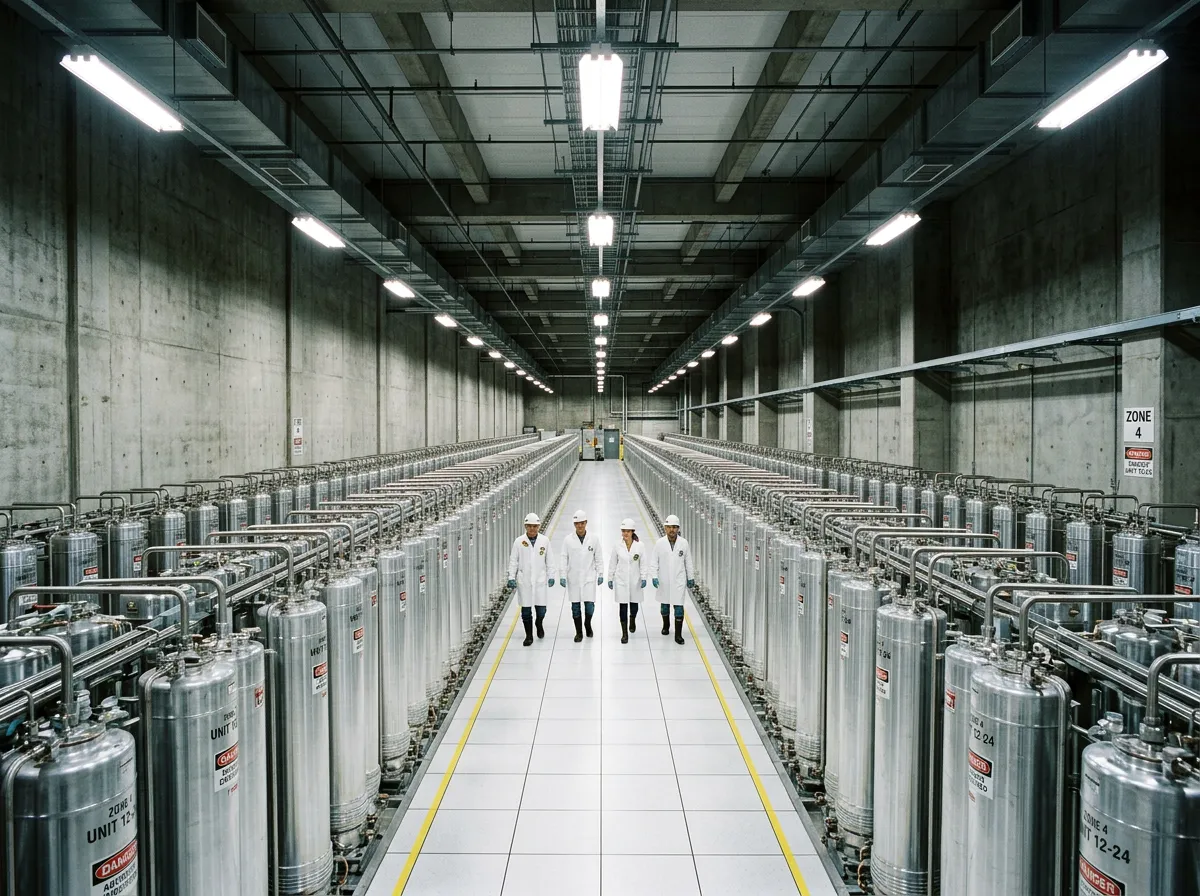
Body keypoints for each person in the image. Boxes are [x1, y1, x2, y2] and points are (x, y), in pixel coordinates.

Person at [507, 512, 556, 647]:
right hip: (525, 581)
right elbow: (513, 561)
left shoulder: (544, 541)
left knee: (541, 610)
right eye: (529, 526)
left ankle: (539, 623)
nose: (532, 529)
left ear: (539, 526)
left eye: (535, 526)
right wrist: (511, 576)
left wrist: (551, 575)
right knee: (526, 611)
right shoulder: (519, 541)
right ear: (525, 526)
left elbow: (550, 560)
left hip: (539, 580)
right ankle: (529, 635)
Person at [650, 514, 695, 645]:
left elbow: (688, 562)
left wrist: (690, 577)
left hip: (678, 581)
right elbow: (654, 562)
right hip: (664, 580)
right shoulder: (659, 543)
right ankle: (666, 625)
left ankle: (678, 635)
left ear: (678, 528)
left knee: (679, 607)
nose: (672, 530)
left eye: (674, 527)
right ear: (665, 528)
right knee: (664, 607)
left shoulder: (683, 543)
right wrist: (654, 576)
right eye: (669, 527)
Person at [560, 509, 603, 642]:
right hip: (573, 578)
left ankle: (587, 624)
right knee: (575, 607)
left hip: (589, 577)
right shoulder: (568, 540)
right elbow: (563, 558)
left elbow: (599, 557)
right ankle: (579, 632)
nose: (580, 526)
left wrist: (600, 573)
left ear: (586, 523)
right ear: (574, 524)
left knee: (589, 606)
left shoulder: (594, 539)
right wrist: (562, 575)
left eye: (582, 523)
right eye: (577, 523)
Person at [607, 518, 646, 644]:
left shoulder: (640, 546)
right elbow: (613, 562)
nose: (625, 534)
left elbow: (643, 563)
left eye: (628, 531)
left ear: (632, 532)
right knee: (623, 606)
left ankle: (632, 619)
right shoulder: (617, 545)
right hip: (621, 580)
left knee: (634, 605)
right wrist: (610, 577)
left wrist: (644, 577)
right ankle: (624, 633)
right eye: (623, 531)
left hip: (635, 580)